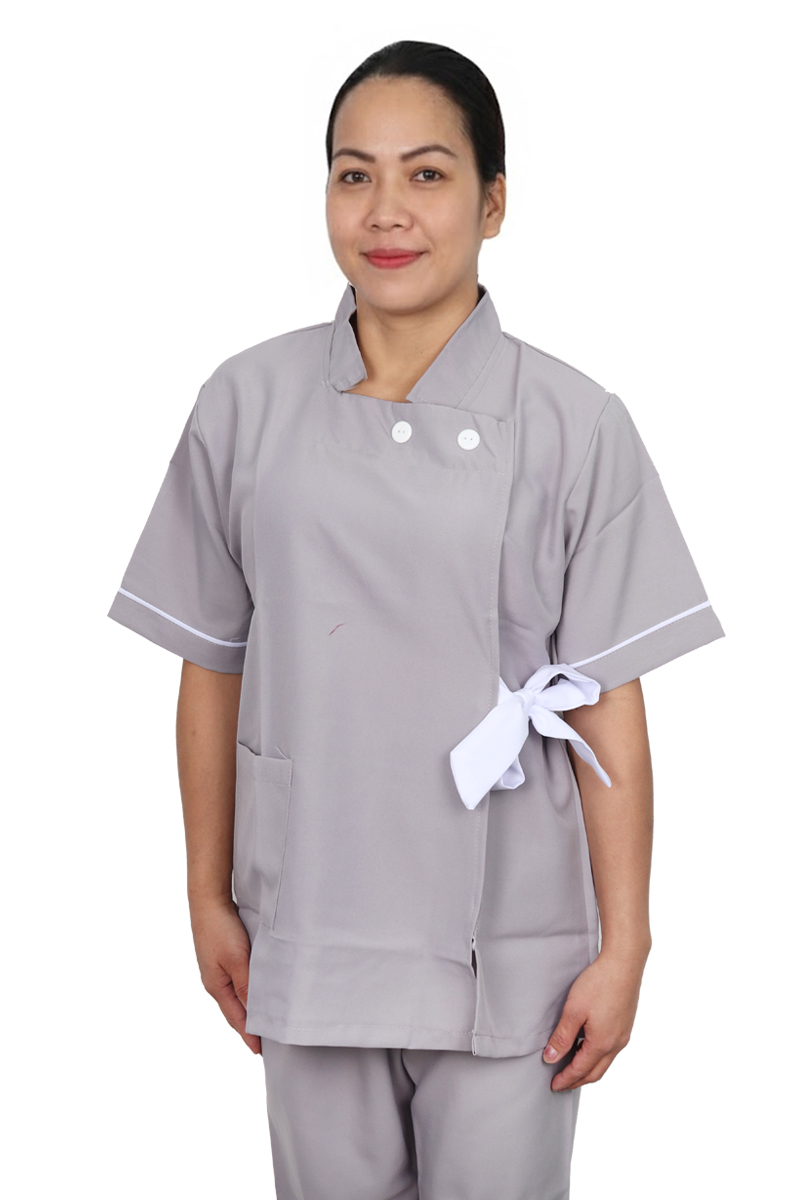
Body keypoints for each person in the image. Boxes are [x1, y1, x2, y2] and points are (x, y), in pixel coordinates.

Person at [107, 39, 725, 1200]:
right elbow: (210, 663)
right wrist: (205, 894)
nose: (384, 211)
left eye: (426, 174)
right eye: (354, 175)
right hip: (309, 913)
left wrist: (626, 943)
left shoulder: (573, 422)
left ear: (492, 202)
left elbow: (605, 699)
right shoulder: (244, 404)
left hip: (512, 944)